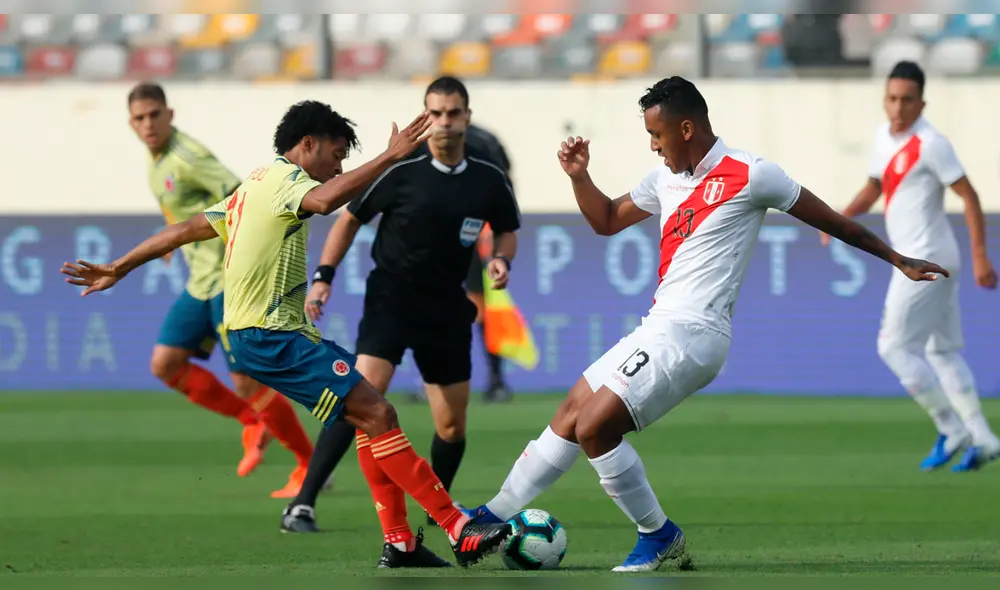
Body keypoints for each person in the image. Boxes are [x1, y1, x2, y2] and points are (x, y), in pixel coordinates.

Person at [458, 76, 949, 572]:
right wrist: (580, 177)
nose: (654, 146)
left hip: (695, 334)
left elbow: (833, 221)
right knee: (571, 412)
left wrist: (896, 257)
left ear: (686, 128)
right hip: (658, 326)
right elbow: (605, 220)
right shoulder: (663, 179)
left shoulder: (753, 174)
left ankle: (657, 534)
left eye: (658, 135)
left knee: (594, 427)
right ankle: (492, 515)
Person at [62, 100, 512, 569]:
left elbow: (186, 229)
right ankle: (457, 528)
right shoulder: (285, 184)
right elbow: (324, 202)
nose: (338, 166)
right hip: (271, 335)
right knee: (378, 412)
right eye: (337, 154)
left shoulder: (253, 183)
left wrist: (120, 266)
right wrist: (388, 157)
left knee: (370, 418)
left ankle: (400, 544)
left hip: (267, 334)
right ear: (308, 144)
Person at [283, 76, 521, 538]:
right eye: (435, 113)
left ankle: (437, 513)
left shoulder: (487, 177)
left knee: (451, 424)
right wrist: (323, 278)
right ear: (425, 117)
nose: (444, 123)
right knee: (361, 398)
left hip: (447, 306)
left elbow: (508, 228)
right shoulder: (402, 169)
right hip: (391, 297)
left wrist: (500, 259)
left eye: (453, 113)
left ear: (467, 118)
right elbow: (348, 219)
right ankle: (302, 503)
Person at [127, 82, 314, 497]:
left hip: (228, 282)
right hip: (200, 280)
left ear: (169, 114)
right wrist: (172, 236)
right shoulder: (155, 161)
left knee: (248, 380)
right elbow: (174, 202)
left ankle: (309, 466)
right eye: (139, 118)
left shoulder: (189, 156)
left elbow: (239, 194)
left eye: (154, 115)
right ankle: (252, 421)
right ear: (131, 123)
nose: (148, 124)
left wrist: (216, 236)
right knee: (165, 364)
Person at [821, 61, 1000, 472]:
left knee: (894, 346)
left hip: (925, 259)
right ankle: (985, 438)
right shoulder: (883, 138)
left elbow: (969, 196)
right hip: (919, 256)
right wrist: (839, 219)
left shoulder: (932, 143)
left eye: (906, 99)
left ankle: (951, 427)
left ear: (922, 102)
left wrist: (980, 255)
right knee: (943, 351)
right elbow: (875, 187)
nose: (898, 107)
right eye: (892, 98)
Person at [464, 122, 517, 403]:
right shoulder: (487, 139)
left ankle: (496, 377)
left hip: (478, 234)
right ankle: (434, 378)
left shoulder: (483, 141)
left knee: (483, 309)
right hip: (450, 233)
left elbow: (504, 182)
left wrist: (498, 225)